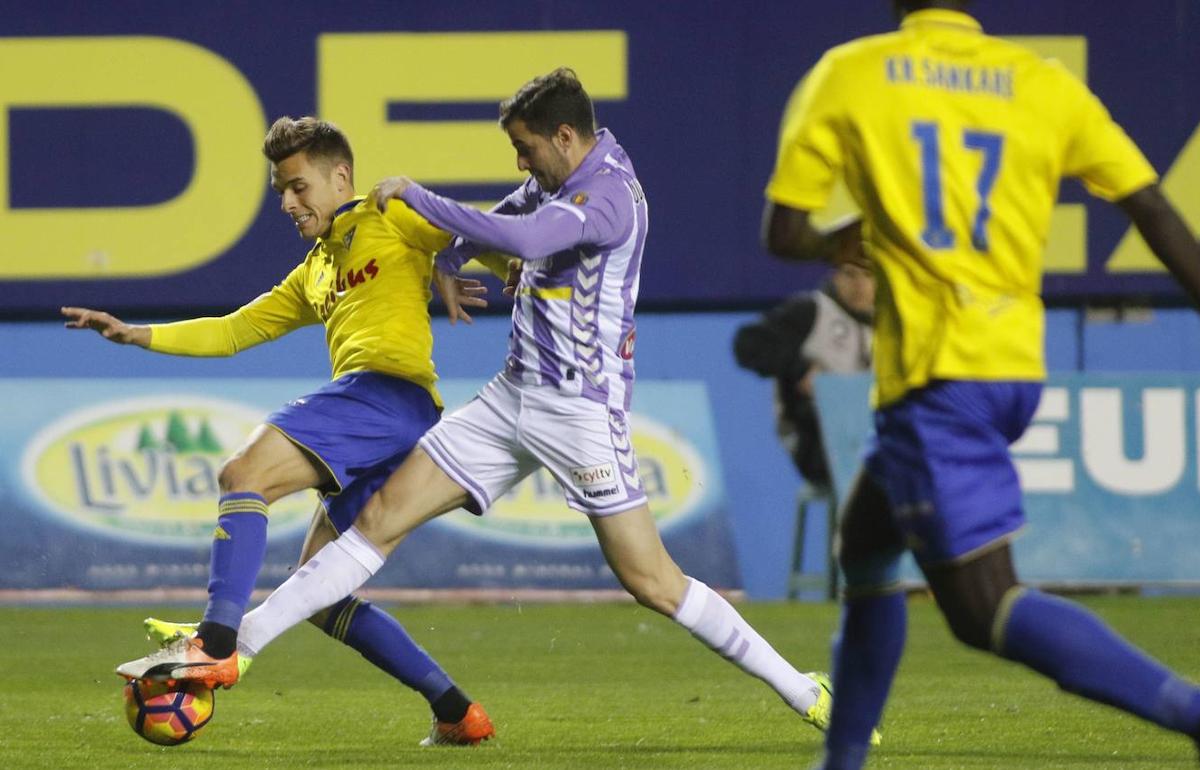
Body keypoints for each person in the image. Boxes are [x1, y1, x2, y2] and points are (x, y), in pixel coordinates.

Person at [126, 67, 837, 733]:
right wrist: (444, 259)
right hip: (510, 399)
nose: (521, 164)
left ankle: (803, 688)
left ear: (565, 137)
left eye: (527, 150)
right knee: (375, 520)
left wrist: (412, 194)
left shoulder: (610, 195)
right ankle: (229, 648)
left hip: (579, 412)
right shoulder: (553, 176)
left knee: (651, 580)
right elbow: (484, 227)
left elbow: (523, 236)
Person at [762, 2, 1200, 769]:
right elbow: (1147, 202)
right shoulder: (1042, 83)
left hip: (939, 373)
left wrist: (847, 239)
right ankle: (842, 760)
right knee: (864, 544)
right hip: (1012, 365)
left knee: (983, 607)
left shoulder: (851, 73)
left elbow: (783, 231)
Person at [72, 115, 502, 745]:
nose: (287, 202)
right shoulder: (316, 271)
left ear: (341, 177)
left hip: (389, 396)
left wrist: (492, 265)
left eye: (298, 186)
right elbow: (232, 330)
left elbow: (467, 230)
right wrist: (137, 334)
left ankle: (215, 642)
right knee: (321, 596)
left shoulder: (387, 215)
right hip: (390, 424)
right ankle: (457, 712)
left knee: (243, 474)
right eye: (280, 189)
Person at [733, 223, 874, 490]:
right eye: (849, 275)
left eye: (868, 276)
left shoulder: (895, 321)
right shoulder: (810, 312)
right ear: (834, 276)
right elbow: (748, 344)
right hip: (817, 443)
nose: (859, 286)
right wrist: (800, 370)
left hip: (876, 435)